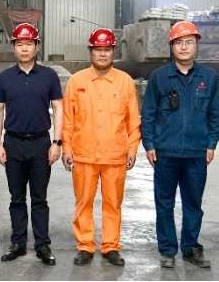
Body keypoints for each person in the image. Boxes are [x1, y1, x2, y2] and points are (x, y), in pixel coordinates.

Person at [141, 21, 219, 269]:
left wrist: (211, 143)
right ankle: (168, 250)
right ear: (171, 46)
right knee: (164, 203)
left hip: (197, 153)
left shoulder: (208, 78)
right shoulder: (159, 77)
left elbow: (216, 114)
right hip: (165, 152)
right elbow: (148, 113)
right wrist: (149, 144)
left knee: (193, 204)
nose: (184, 47)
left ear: (196, 45)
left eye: (189, 42)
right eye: (179, 42)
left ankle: (190, 248)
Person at [62, 28, 141, 267]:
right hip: (83, 154)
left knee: (112, 204)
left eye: (107, 49)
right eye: (98, 49)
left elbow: (133, 119)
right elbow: (68, 119)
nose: (103, 54)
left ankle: (110, 246)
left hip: (114, 155)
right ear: (91, 52)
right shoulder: (77, 81)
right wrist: (67, 148)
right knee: (83, 202)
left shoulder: (125, 81)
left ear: (113, 51)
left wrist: (132, 149)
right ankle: (85, 245)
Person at [0, 23, 63, 266]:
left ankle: (42, 244)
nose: (24, 49)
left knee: (39, 198)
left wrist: (57, 142)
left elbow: (58, 108)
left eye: (29, 44)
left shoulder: (49, 76)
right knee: (16, 197)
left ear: (37, 47)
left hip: (40, 143)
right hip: (13, 143)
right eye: (20, 44)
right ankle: (18, 243)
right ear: (13, 47)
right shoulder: (4, 78)